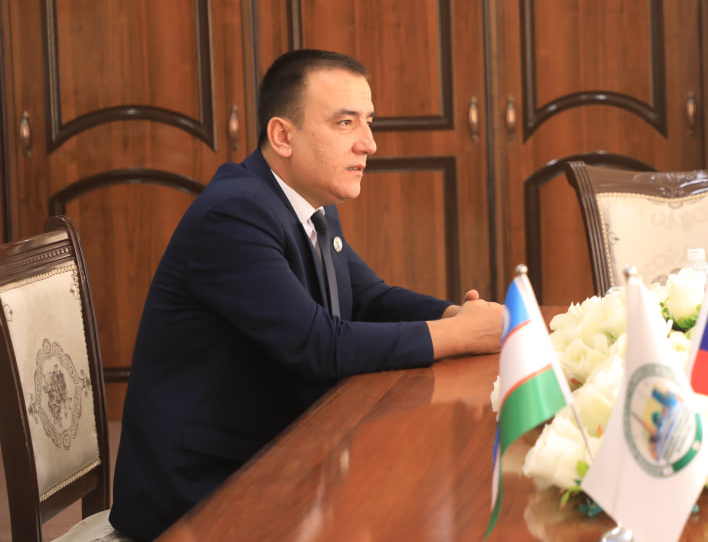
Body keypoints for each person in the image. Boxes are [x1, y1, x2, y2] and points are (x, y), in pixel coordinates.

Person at [110, 50, 502, 541]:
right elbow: (319, 345)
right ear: (282, 136)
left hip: (279, 460)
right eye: (345, 122)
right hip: (204, 494)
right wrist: (461, 334)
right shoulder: (233, 215)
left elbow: (369, 298)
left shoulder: (308, 202)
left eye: (369, 121)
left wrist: (457, 314)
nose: (369, 143)